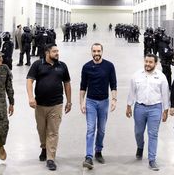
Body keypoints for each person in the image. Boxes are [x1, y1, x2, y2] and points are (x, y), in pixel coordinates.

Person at [27, 43, 72, 171]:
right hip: (40, 104)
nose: (57, 53)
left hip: (56, 104)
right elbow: (29, 80)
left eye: (58, 51)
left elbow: (67, 84)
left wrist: (69, 101)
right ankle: (44, 148)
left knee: (53, 131)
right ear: (47, 53)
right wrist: (31, 97)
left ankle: (50, 158)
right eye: (54, 51)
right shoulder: (37, 65)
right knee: (41, 129)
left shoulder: (62, 66)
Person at [126, 53, 170, 171]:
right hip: (139, 108)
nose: (148, 64)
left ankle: (152, 159)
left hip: (155, 108)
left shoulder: (161, 77)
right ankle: (140, 147)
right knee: (138, 132)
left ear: (155, 63)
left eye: (150, 62)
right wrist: (129, 106)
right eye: (146, 61)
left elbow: (165, 94)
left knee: (153, 134)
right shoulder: (136, 76)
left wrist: (165, 110)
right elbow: (132, 92)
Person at [79, 43, 118, 169]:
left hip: (104, 102)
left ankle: (98, 151)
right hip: (90, 102)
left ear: (102, 52)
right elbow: (83, 86)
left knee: (101, 129)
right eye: (94, 51)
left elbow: (113, 84)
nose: (96, 53)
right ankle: (89, 156)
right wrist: (81, 102)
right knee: (91, 129)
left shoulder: (109, 66)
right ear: (91, 52)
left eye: (98, 51)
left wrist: (114, 99)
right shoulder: (86, 67)